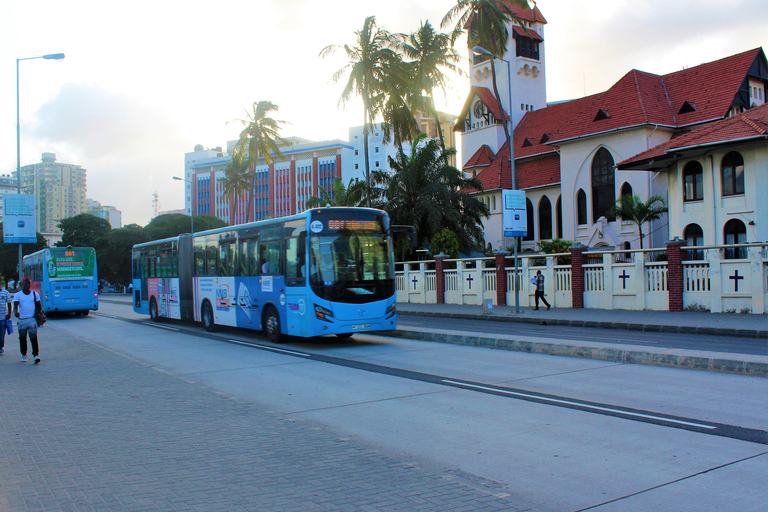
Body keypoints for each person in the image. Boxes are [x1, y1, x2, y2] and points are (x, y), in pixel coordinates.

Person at [13, 277, 43, 364]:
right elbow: (15, 307)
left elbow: (39, 305)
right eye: (26, 283)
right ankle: (24, 354)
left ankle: (36, 355)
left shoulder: (35, 294)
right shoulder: (18, 295)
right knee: (22, 338)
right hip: (22, 320)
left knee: (33, 337)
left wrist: (39, 313)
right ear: (23, 284)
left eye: (29, 283)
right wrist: (16, 312)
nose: (28, 285)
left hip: (32, 319)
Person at [0, 280, 12, 355]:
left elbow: (9, 303)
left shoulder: (5, 293)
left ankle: (0, 347)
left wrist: (9, 314)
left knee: (1, 333)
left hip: (3, 317)